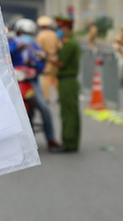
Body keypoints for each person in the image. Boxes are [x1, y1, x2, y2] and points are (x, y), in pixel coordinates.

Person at [9, 18, 62, 152]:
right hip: (14, 82)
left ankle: (51, 139)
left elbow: (41, 62)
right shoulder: (11, 45)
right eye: (22, 33)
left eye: (28, 34)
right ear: (18, 33)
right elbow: (6, 56)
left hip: (31, 82)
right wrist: (17, 48)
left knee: (44, 107)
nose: (25, 36)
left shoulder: (35, 47)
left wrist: (35, 65)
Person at [49, 17, 81, 153]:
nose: (59, 31)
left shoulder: (70, 44)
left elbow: (61, 63)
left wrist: (45, 58)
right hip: (67, 81)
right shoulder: (68, 43)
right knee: (69, 112)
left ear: (67, 29)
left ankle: (69, 143)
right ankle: (71, 142)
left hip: (68, 81)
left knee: (68, 113)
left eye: (61, 28)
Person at [35, 15, 61, 103]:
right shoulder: (54, 34)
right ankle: (59, 96)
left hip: (46, 59)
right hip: (55, 58)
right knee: (56, 78)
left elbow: (38, 49)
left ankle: (47, 98)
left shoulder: (40, 36)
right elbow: (59, 47)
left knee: (45, 78)